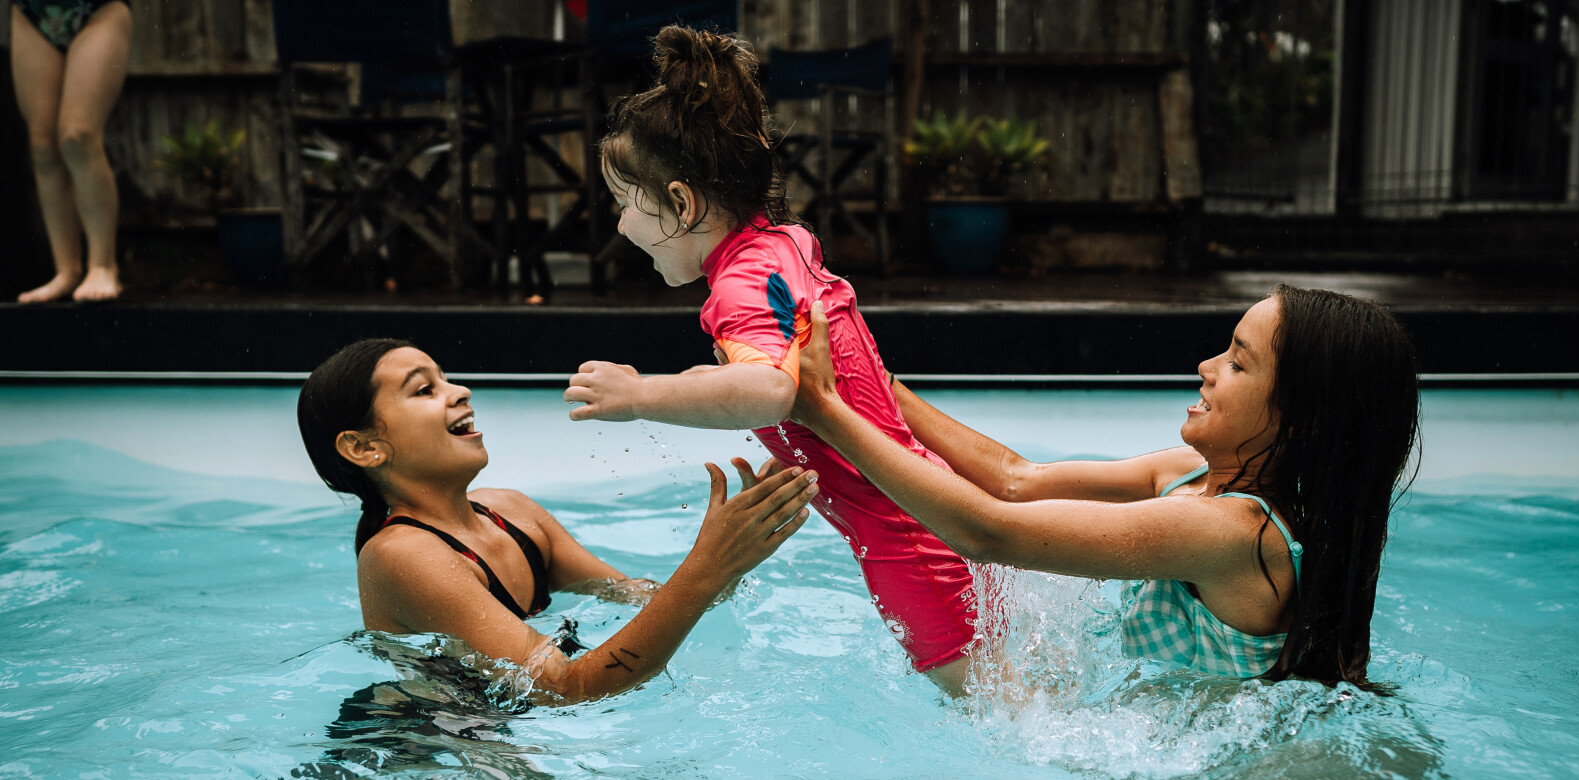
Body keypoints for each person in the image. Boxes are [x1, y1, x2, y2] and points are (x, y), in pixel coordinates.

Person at [563, 26, 976, 694]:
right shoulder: (784, 243)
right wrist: (711, 380)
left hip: (907, 546)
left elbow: (768, 391)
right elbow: (787, 359)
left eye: (625, 204)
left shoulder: (737, 287)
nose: (620, 226)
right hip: (938, 506)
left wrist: (642, 395)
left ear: (681, 202)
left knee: (1003, 724)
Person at [788, 284, 1420, 691]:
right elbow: (1016, 482)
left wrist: (826, 414)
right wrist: (874, 380)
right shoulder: (1191, 477)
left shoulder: (1233, 534)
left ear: (1300, 418)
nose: (1206, 368)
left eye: (1237, 361)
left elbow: (987, 531)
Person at [298, 338, 817, 704]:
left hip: (496, 731)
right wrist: (706, 566)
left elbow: (646, 599)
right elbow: (565, 688)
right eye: (423, 390)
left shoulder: (512, 513)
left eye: (445, 378)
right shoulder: (400, 556)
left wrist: (736, 551)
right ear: (364, 448)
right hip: (418, 746)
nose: (459, 392)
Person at [10, 0, 130, 302]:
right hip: (31, 12)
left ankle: (103, 265)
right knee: (42, 145)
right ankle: (66, 271)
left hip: (98, 9)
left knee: (78, 135)